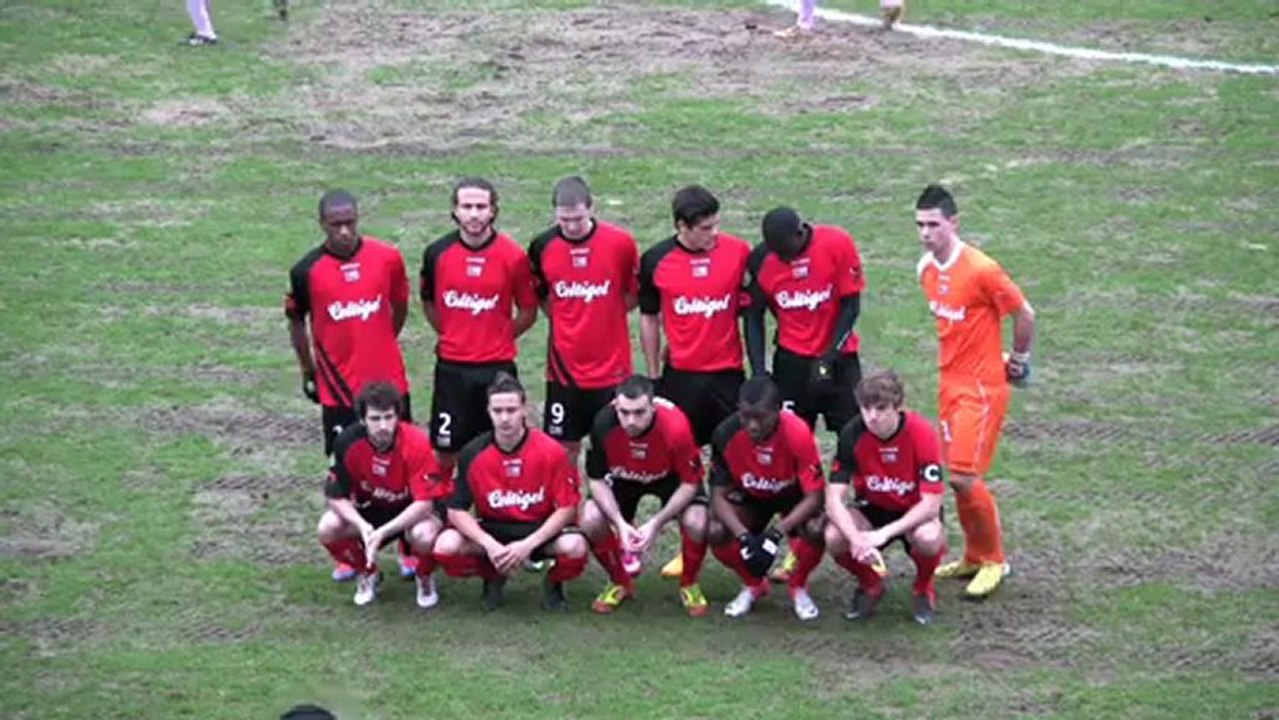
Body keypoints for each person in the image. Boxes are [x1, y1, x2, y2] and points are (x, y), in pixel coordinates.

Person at [285, 190, 416, 582]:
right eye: (335, 224)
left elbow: (399, 305)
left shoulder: (387, 257)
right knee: (347, 470)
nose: (344, 231)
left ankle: (410, 545)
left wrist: (381, 342)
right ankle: (356, 552)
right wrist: (309, 369)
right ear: (321, 224)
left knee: (406, 466)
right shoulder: (305, 270)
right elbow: (295, 320)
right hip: (339, 392)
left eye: (350, 222)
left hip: (390, 385)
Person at [915, 184, 1036, 598]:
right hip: (949, 384)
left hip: (982, 390)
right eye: (920, 225)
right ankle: (974, 555)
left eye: (933, 224)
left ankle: (996, 560)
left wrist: (1018, 360)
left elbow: (1024, 313)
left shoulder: (982, 270)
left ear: (953, 222)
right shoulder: (926, 270)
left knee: (967, 477)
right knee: (957, 480)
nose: (925, 233)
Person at [743, 206, 865, 584]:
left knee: (857, 440)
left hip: (839, 363)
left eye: (788, 251)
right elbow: (753, 315)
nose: (784, 259)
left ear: (801, 232)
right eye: (776, 253)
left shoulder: (837, 243)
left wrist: (830, 354)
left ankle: (863, 527)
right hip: (792, 366)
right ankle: (798, 551)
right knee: (791, 450)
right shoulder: (764, 260)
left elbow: (851, 304)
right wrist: (761, 371)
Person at [432, 373, 588, 611]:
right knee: (445, 546)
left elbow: (567, 508)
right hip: (493, 529)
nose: (505, 418)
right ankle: (492, 576)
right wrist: (490, 545)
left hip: (537, 531)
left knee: (575, 547)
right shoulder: (472, 453)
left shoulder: (551, 451)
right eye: (498, 410)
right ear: (489, 411)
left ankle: (554, 583)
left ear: (524, 409)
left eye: (511, 410)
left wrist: (527, 545)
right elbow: (456, 510)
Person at [420, 178, 538, 477]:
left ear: (493, 211)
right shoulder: (437, 253)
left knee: (500, 446)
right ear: (455, 211)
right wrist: (451, 334)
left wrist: (497, 337)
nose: (474, 214)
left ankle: (493, 516)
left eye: (481, 207)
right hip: (452, 368)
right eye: (467, 207)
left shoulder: (513, 256)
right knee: (446, 451)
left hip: (496, 369)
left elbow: (528, 311)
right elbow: (429, 302)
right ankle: (445, 515)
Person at [527, 176, 639, 464]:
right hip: (565, 372)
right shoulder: (542, 246)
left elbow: (632, 294)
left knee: (617, 449)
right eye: (564, 220)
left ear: (592, 208)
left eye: (577, 218)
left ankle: (609, 509)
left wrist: (605, 315)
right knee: (563, 449)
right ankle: (568, 508)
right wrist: (568, 318)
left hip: (612, 369)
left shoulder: (620, 244)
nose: (572, 226)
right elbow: (542, 296)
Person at [578, 376, 710, 617]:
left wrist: (656, 523)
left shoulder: (675, 426)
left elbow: (690, 483)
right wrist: (619, 523)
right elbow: (596, 480)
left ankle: (689, 583)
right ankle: (619, 581)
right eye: (625, 413)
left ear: (653, 406)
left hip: (669, 476)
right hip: (623, 476)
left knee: (697, 521)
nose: (631, 421)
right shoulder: (603, 423)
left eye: (640, 412)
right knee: (589, 518)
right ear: (616, 406)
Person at [826, 371, 946, 624]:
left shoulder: (922, 433)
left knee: (929, 537)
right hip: (873, 507)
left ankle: (923, 588)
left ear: (897, 406)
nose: (872, 417)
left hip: (914, 510)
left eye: (881, 408)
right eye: (866, 408)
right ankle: (870, 584)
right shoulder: (852, 433)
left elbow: (931, 503)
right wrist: (855, 538)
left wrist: (884, 534)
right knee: (834, 537)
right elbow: (833, 498)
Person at [316, 383, 450, 609]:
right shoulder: (347, 442)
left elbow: (424, 504)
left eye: (389, 417)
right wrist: (361, 525)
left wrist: (384, 532)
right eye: (375, 419)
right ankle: (367, 572)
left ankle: (424, 576)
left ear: (398, 416)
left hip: (413, 509)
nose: (383, 426)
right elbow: (334, 495)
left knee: (424, 535)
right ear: (362, 420)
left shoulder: (417, 442)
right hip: (374, 507)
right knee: (327, 527)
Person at [706, 376, 826, 621]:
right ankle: (753, 584)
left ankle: (798, 586)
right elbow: (717, 495)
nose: (752, 425)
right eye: (745, 416)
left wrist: (776, 533)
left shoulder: (798, 433)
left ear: (777, 411)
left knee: (817, 527)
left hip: (791, 496)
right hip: (751, 498)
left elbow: (815, 497)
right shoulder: (725, 434)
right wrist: (745, 537)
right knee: (715, 529)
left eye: (759, 417)